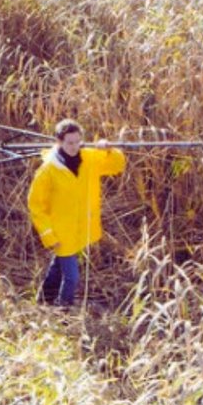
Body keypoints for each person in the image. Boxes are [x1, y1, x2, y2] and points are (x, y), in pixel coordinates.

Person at [25, 119, 126, 307]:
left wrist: (109, 150)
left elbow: (116, 166)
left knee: (58, 267)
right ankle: (63, 311)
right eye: (69, 142)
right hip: (61, 233)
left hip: (80, 229)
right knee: (72, 277)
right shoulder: (48, 170)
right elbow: (35, 204)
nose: (74, 147)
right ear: (59, 142)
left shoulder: (89, 158)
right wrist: (48, 234)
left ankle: (43, 300)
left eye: (77, 142)